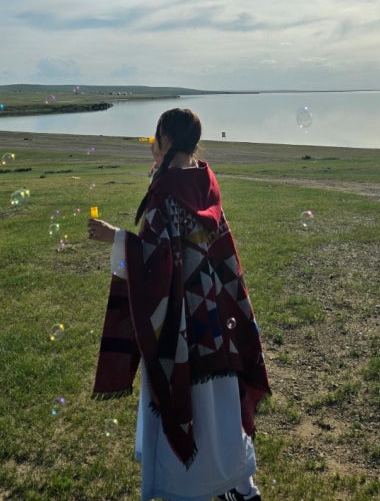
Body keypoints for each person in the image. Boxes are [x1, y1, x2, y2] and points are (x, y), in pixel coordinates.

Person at [88, 107, 270, 501]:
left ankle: (191, 487)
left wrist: (115, 237)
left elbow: (154, 259)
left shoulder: (166, 191)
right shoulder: (205, 178)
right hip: (217, 315)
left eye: (156, 136)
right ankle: (241, 484)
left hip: (181, 321)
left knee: (187, 397)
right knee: (222, 400)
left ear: (167, 141)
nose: (152, 144)